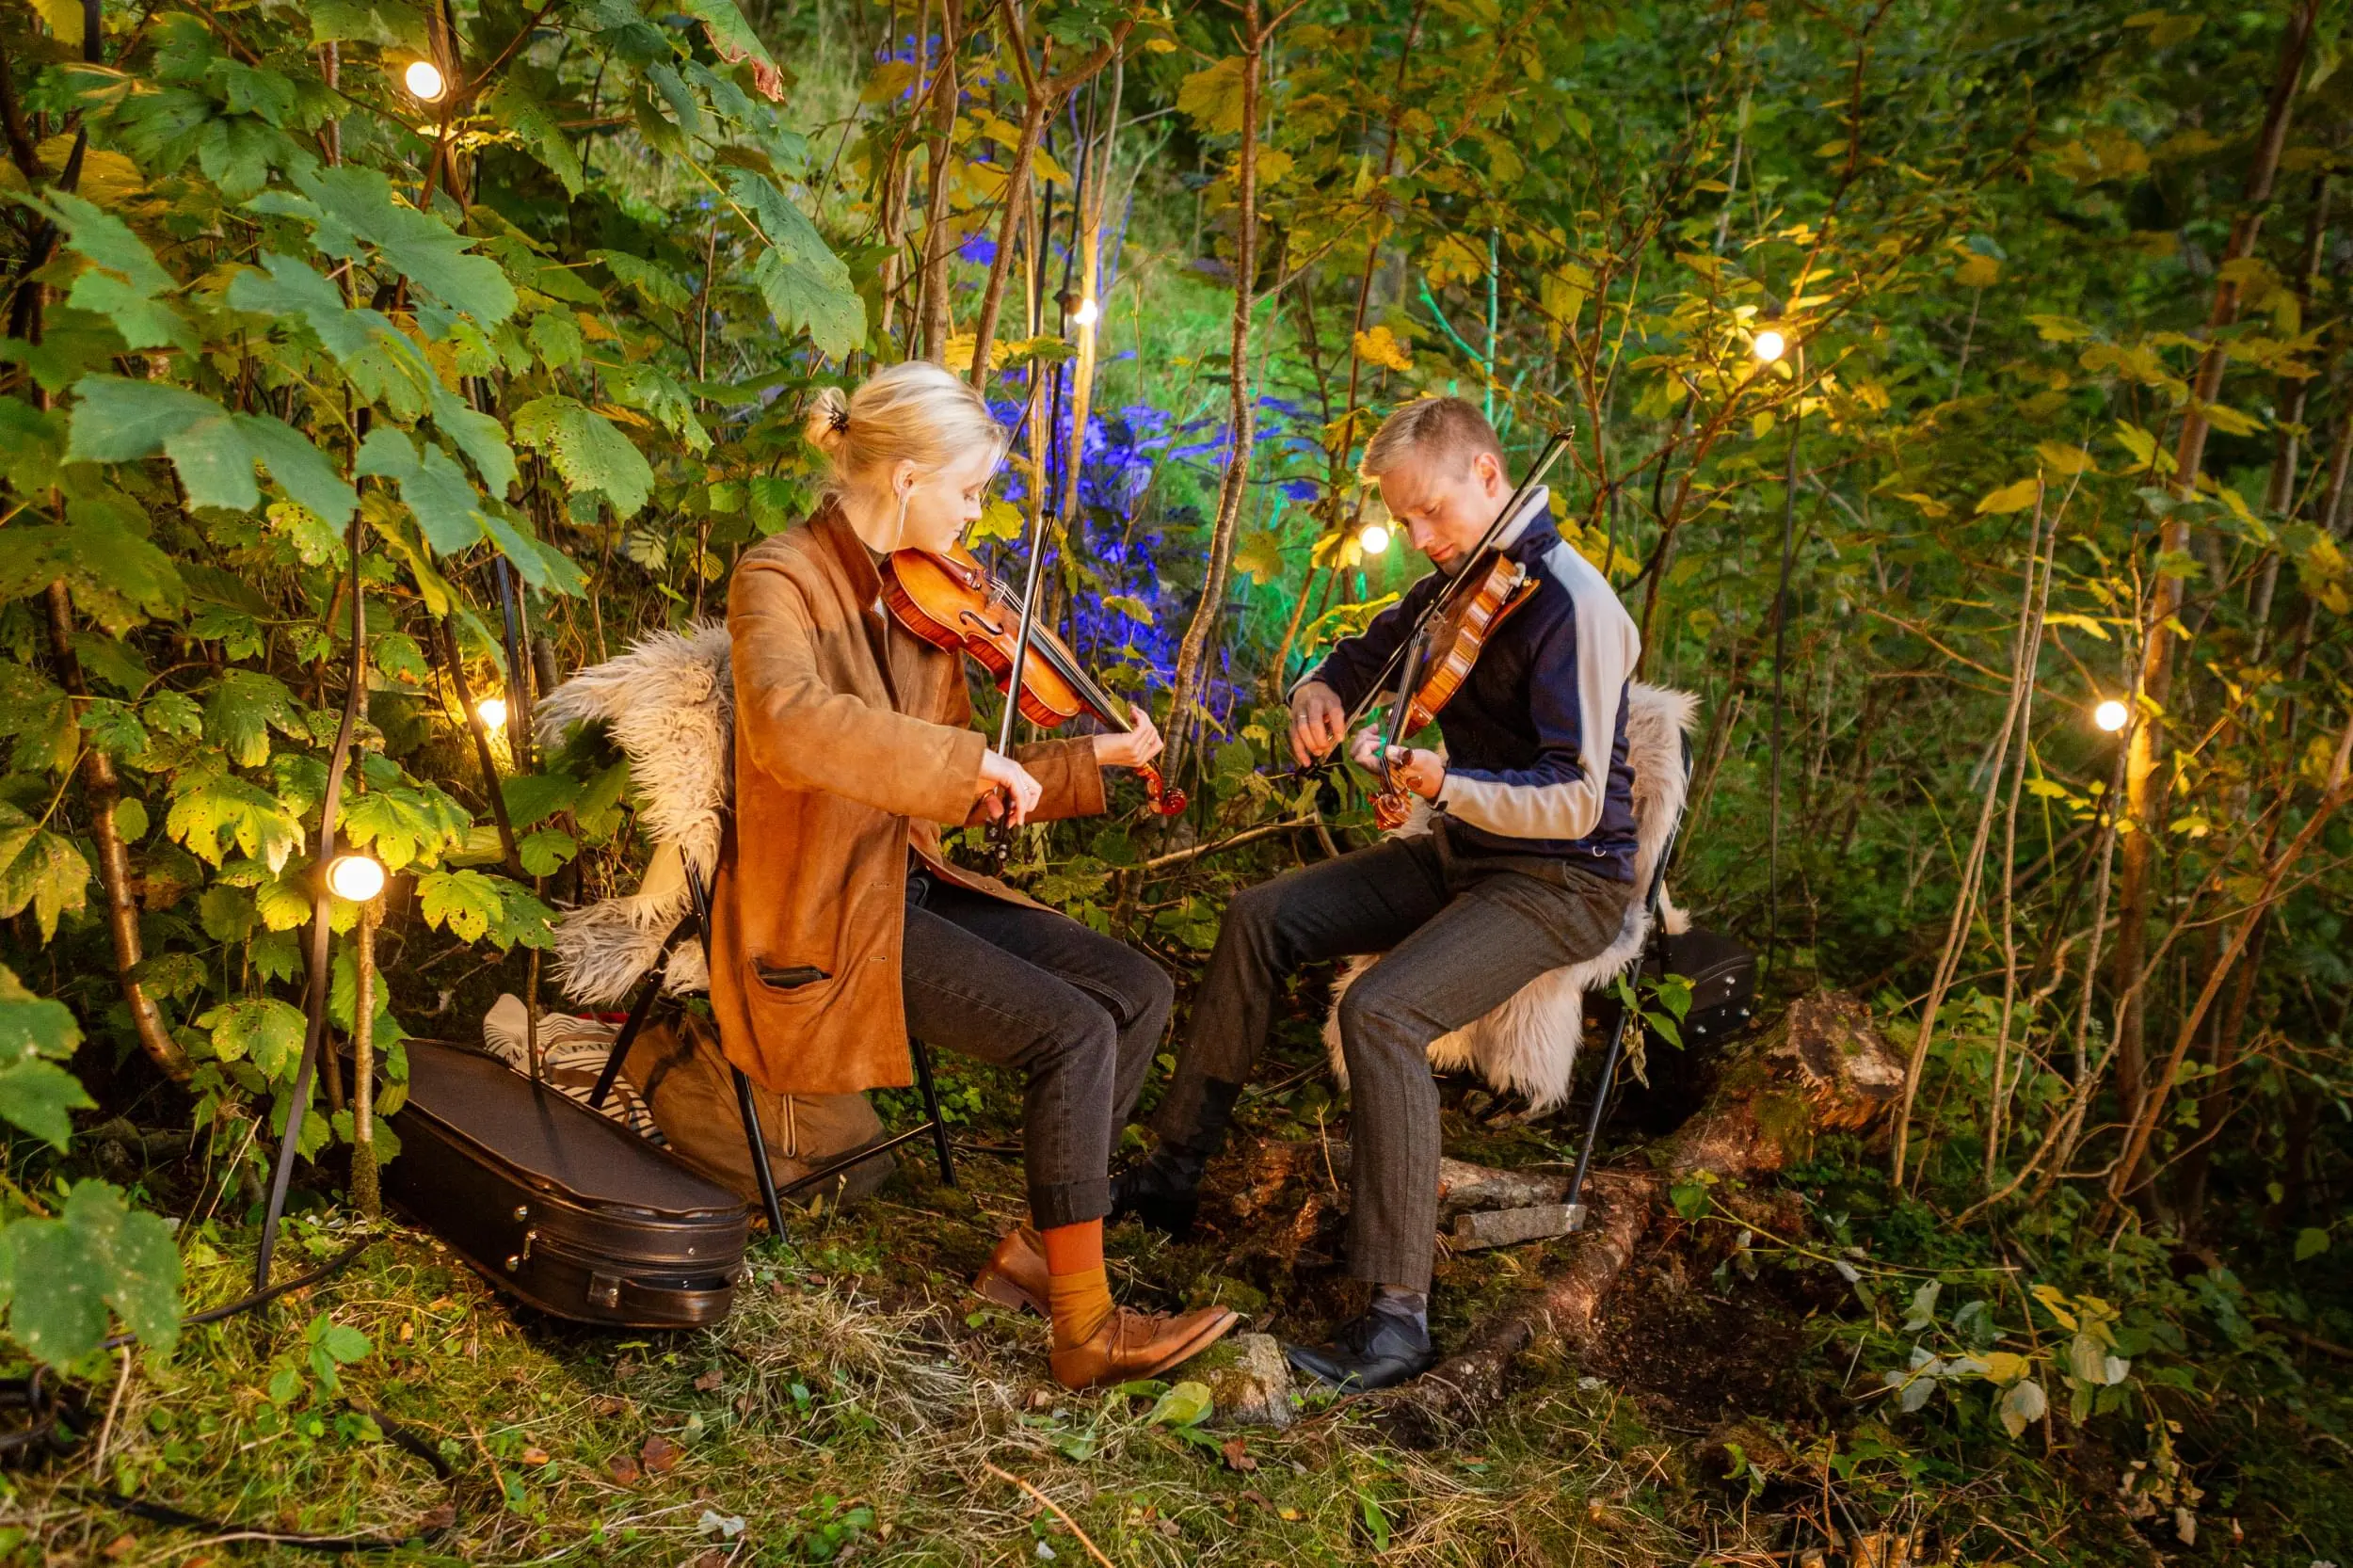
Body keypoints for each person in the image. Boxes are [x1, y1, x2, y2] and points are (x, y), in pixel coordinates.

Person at [711, 360, 1238, 1388]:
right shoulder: (776, 578)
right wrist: (964, 764)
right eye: (968, 489)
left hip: (900, 878)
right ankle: (1084, 1329)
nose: (977, 514)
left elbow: (955, 771)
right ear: (905, 477)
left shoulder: (925, 604)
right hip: (819, 910)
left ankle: (1042, 1255)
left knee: (1137, 990)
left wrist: (1091, 761)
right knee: (1071, 1028)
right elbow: (785, 725)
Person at [1111, 396, 1641, 1392]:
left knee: (1382, 1010)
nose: (1418, 539)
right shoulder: (1458, 584)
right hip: (1467, 855)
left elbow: (1574, 799)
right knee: (1259, 915)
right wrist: (1316, 691)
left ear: (1490, 476)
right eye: (1402, 521)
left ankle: (1395, 1320)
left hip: (1564, 879)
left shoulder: (1572, 604)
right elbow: (1356, 662)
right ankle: (1172, 1177)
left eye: (1430, 512)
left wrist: (1447, 785)